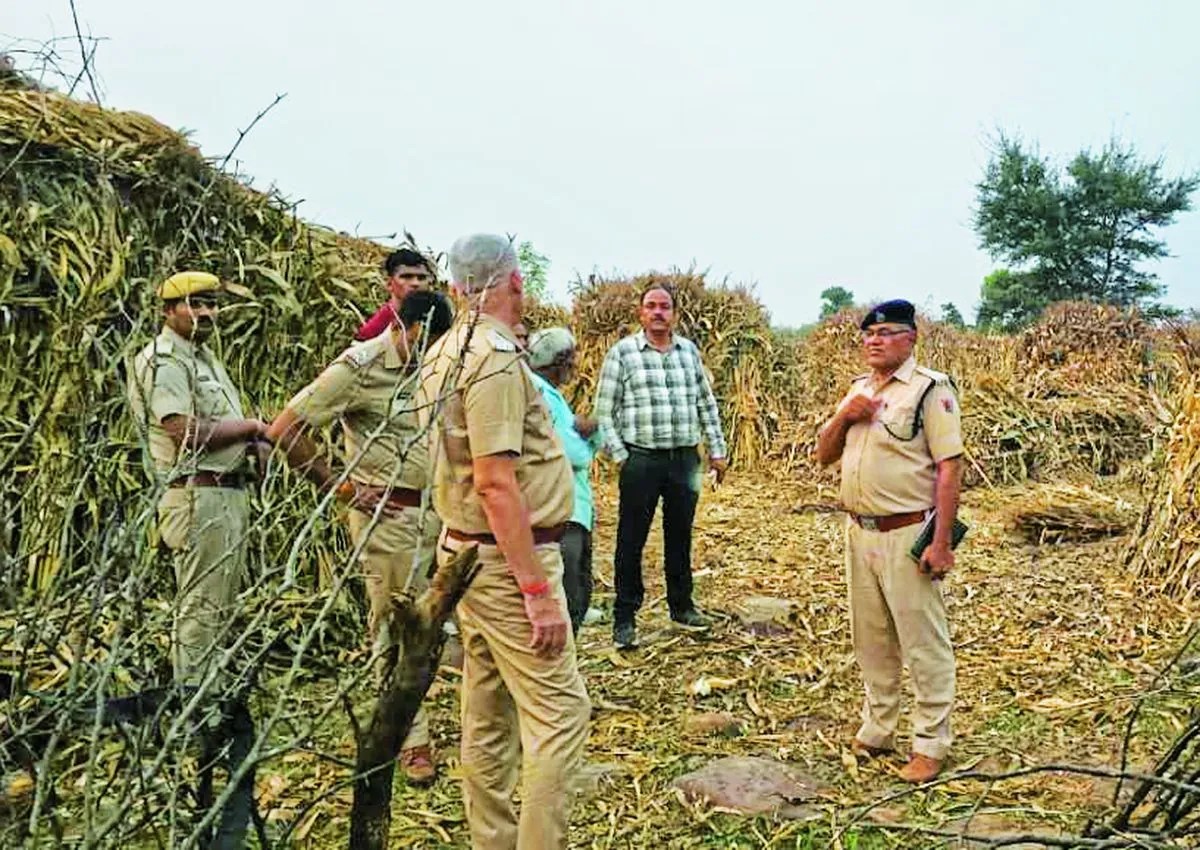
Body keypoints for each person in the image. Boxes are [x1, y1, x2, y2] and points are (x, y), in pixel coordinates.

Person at [419, 233, 589, 850]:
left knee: (487, 710)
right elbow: (495, 484)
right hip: (504, 560)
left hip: (470, 555)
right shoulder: (489, 357)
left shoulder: (443, 351)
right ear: (515, 282)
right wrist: (539, 591)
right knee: (559, 716)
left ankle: (493, 839)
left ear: (457, 287)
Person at [266, 289, 453, 786]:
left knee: (436, 625)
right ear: (403, 327)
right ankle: (408, 742)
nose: (431, 353)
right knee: (394, 625)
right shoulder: (360, 366)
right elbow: (285, 428)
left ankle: (413, 721)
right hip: (388, 522)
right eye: (424, 342)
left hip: (438, 514)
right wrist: (343, 489)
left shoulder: (437, 363)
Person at [815, 299, 964, 784]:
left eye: (887, 333)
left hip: (906, 533)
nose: (874, 340)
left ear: (911, 338)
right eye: (869, 335)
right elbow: (823, 455)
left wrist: (940, 543)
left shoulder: (930, 391)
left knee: (923, 643)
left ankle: (930, 743)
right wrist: (845, 417)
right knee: (872, 639)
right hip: (860, 532)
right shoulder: (858, 391)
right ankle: (878, 728)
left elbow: (949, 467)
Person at [126, 271, 268, 685]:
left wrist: (253, 448)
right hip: (197, 498)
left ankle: (212, 702)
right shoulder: (163, 359)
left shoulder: (203, 358)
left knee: (218, 608)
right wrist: (251, 429)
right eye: (195, 304)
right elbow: (184, 432)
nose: (206, 313)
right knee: (201, 610)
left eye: (211, 304)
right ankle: (193, 709)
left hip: (224, 496)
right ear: (168, 311)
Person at [593, 284, 728, 649]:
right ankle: (625, 618)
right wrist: (622, 456)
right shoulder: (623, 354)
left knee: (679, 537)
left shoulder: (688, 353)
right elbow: (605, 412)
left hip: (684, 460)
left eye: (664, 307)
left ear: (674, 314)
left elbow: (706, 403)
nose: (657, 312)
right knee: (630, 540)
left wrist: (717, 450)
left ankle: (682, 607)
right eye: (650, 306)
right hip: (642, 459)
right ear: (640, 313)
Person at [526, 327, 599, 634]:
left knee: (576, 581)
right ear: (561, 361)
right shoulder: (542, 395)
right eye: (571, 359)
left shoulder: (546, 393)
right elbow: (574, 454)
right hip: (561, 509)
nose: (574, 366)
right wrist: (594, 433)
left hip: (567, 506)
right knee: (570, 586)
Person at [354, 247, 436, 341]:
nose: (415, 283)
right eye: (407, 277)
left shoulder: (438, 318)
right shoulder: (375, 328)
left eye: (421, 278)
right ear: (389, 284)